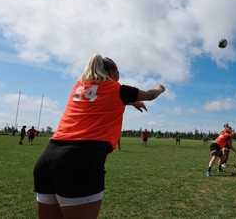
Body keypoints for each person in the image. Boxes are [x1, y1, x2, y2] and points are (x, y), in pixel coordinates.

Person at [33, 54, 165, 219]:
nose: (119, 77)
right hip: (80, 162)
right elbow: (150, 94)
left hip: (47, 159)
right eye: (118, 73)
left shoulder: (79, 86)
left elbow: (98, 97)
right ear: (112, 73)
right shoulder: (118, 89)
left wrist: (130, 102)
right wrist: (160, 88)